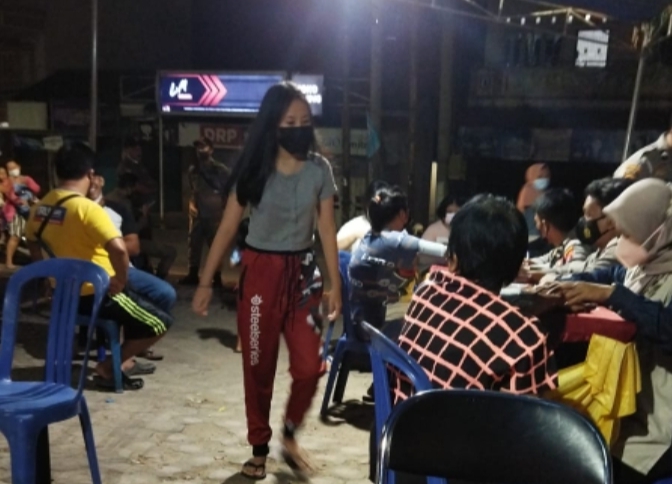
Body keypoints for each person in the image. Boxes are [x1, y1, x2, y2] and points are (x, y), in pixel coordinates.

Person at [191, 82, 341, 479]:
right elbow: (227, 228)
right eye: (289, 122)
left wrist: (335, 283)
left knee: (309, 368)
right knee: (258, 367)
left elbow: (327, 228)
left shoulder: (319, 170)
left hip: (303, 278)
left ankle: (289, 434)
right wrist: (205, 281)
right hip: (260, 277)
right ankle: (259, 446)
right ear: (272, 125)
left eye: (304, 121)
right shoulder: (253, 170)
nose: (298, 128)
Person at [548, 178, 672, 484]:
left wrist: (613, 296)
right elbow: (603, 276)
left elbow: (666, 327)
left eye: (627, 233)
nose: (621, 241)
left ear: (658, 231)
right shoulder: (642, 268)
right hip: (626, 405)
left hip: (658, 424)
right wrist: (567, 288)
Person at [26, 143, 173, 391]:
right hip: (96, 294)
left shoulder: (40, 208)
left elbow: (32, 243)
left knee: (151, 298)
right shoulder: (87, 209)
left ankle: (118, 360)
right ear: (90, 173)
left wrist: (47, 277)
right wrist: (121, 280)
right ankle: (109, 366)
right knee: (160, 323)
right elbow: (120, 249)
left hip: (65, 293)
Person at [394, 193, 558, 397]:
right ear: (517, 267)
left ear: (453, 256)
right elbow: (527, 414)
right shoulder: (526, 338)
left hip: (403, 413)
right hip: (458, 418)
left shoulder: (425, 292)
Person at [349, 185, 447, 342]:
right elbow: (445, 252)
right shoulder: (397, 240)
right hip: (382, 329)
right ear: (402, 214)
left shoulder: (369, 237)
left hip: (360, 323)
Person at [541, 177, 633, 283]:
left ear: (611, 221)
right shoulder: (599, 252)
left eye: (589, 214)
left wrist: (547, 274)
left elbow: (590, 275)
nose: (584, 221)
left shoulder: (619, 250)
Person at [179, 137, 231, 286]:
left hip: (214, 214)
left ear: (211, 149)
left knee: (215, 246)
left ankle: (217, 277)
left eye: (204, 147)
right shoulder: (193, 170)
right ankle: (193, 274)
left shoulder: (220, 169)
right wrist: (191, 205)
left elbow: (229, 190)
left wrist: (225, 209)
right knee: (194, 244)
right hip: (197, 214)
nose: (200, 150)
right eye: (198, 147)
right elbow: (192, 190)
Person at [524, 188, 591, 282]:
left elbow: (576, 272)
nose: (537, 227)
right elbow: (544, 259)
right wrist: (527, 264)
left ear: (545, 225)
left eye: (536, 222)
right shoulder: (562, 246)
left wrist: (537, 271)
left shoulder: (576, 245)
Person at [5, 160, 40, 269]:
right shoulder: (8, 181)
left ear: (19, 167)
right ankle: (9, 262)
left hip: (29, 210)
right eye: (10, 169)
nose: (13, 170)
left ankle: (37, 262)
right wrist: (19, 201)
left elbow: (37, 189)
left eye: (14, 167)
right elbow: (10, 195)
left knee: (32, 238)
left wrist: (27, 183)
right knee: (15, 236)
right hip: (16, 212)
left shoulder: (26, 179)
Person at [336, 180, 388, 252]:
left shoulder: (394, 226)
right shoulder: (355, 225)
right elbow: (333, 248)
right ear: (366, 204)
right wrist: (355, 235)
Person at [517, 163, 551, 242]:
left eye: (546, 176)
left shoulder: (547, 194)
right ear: (532, 177)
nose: (544, 179)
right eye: (540, 177)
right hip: (531, 237)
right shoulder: (527, 193)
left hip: (544, 238)